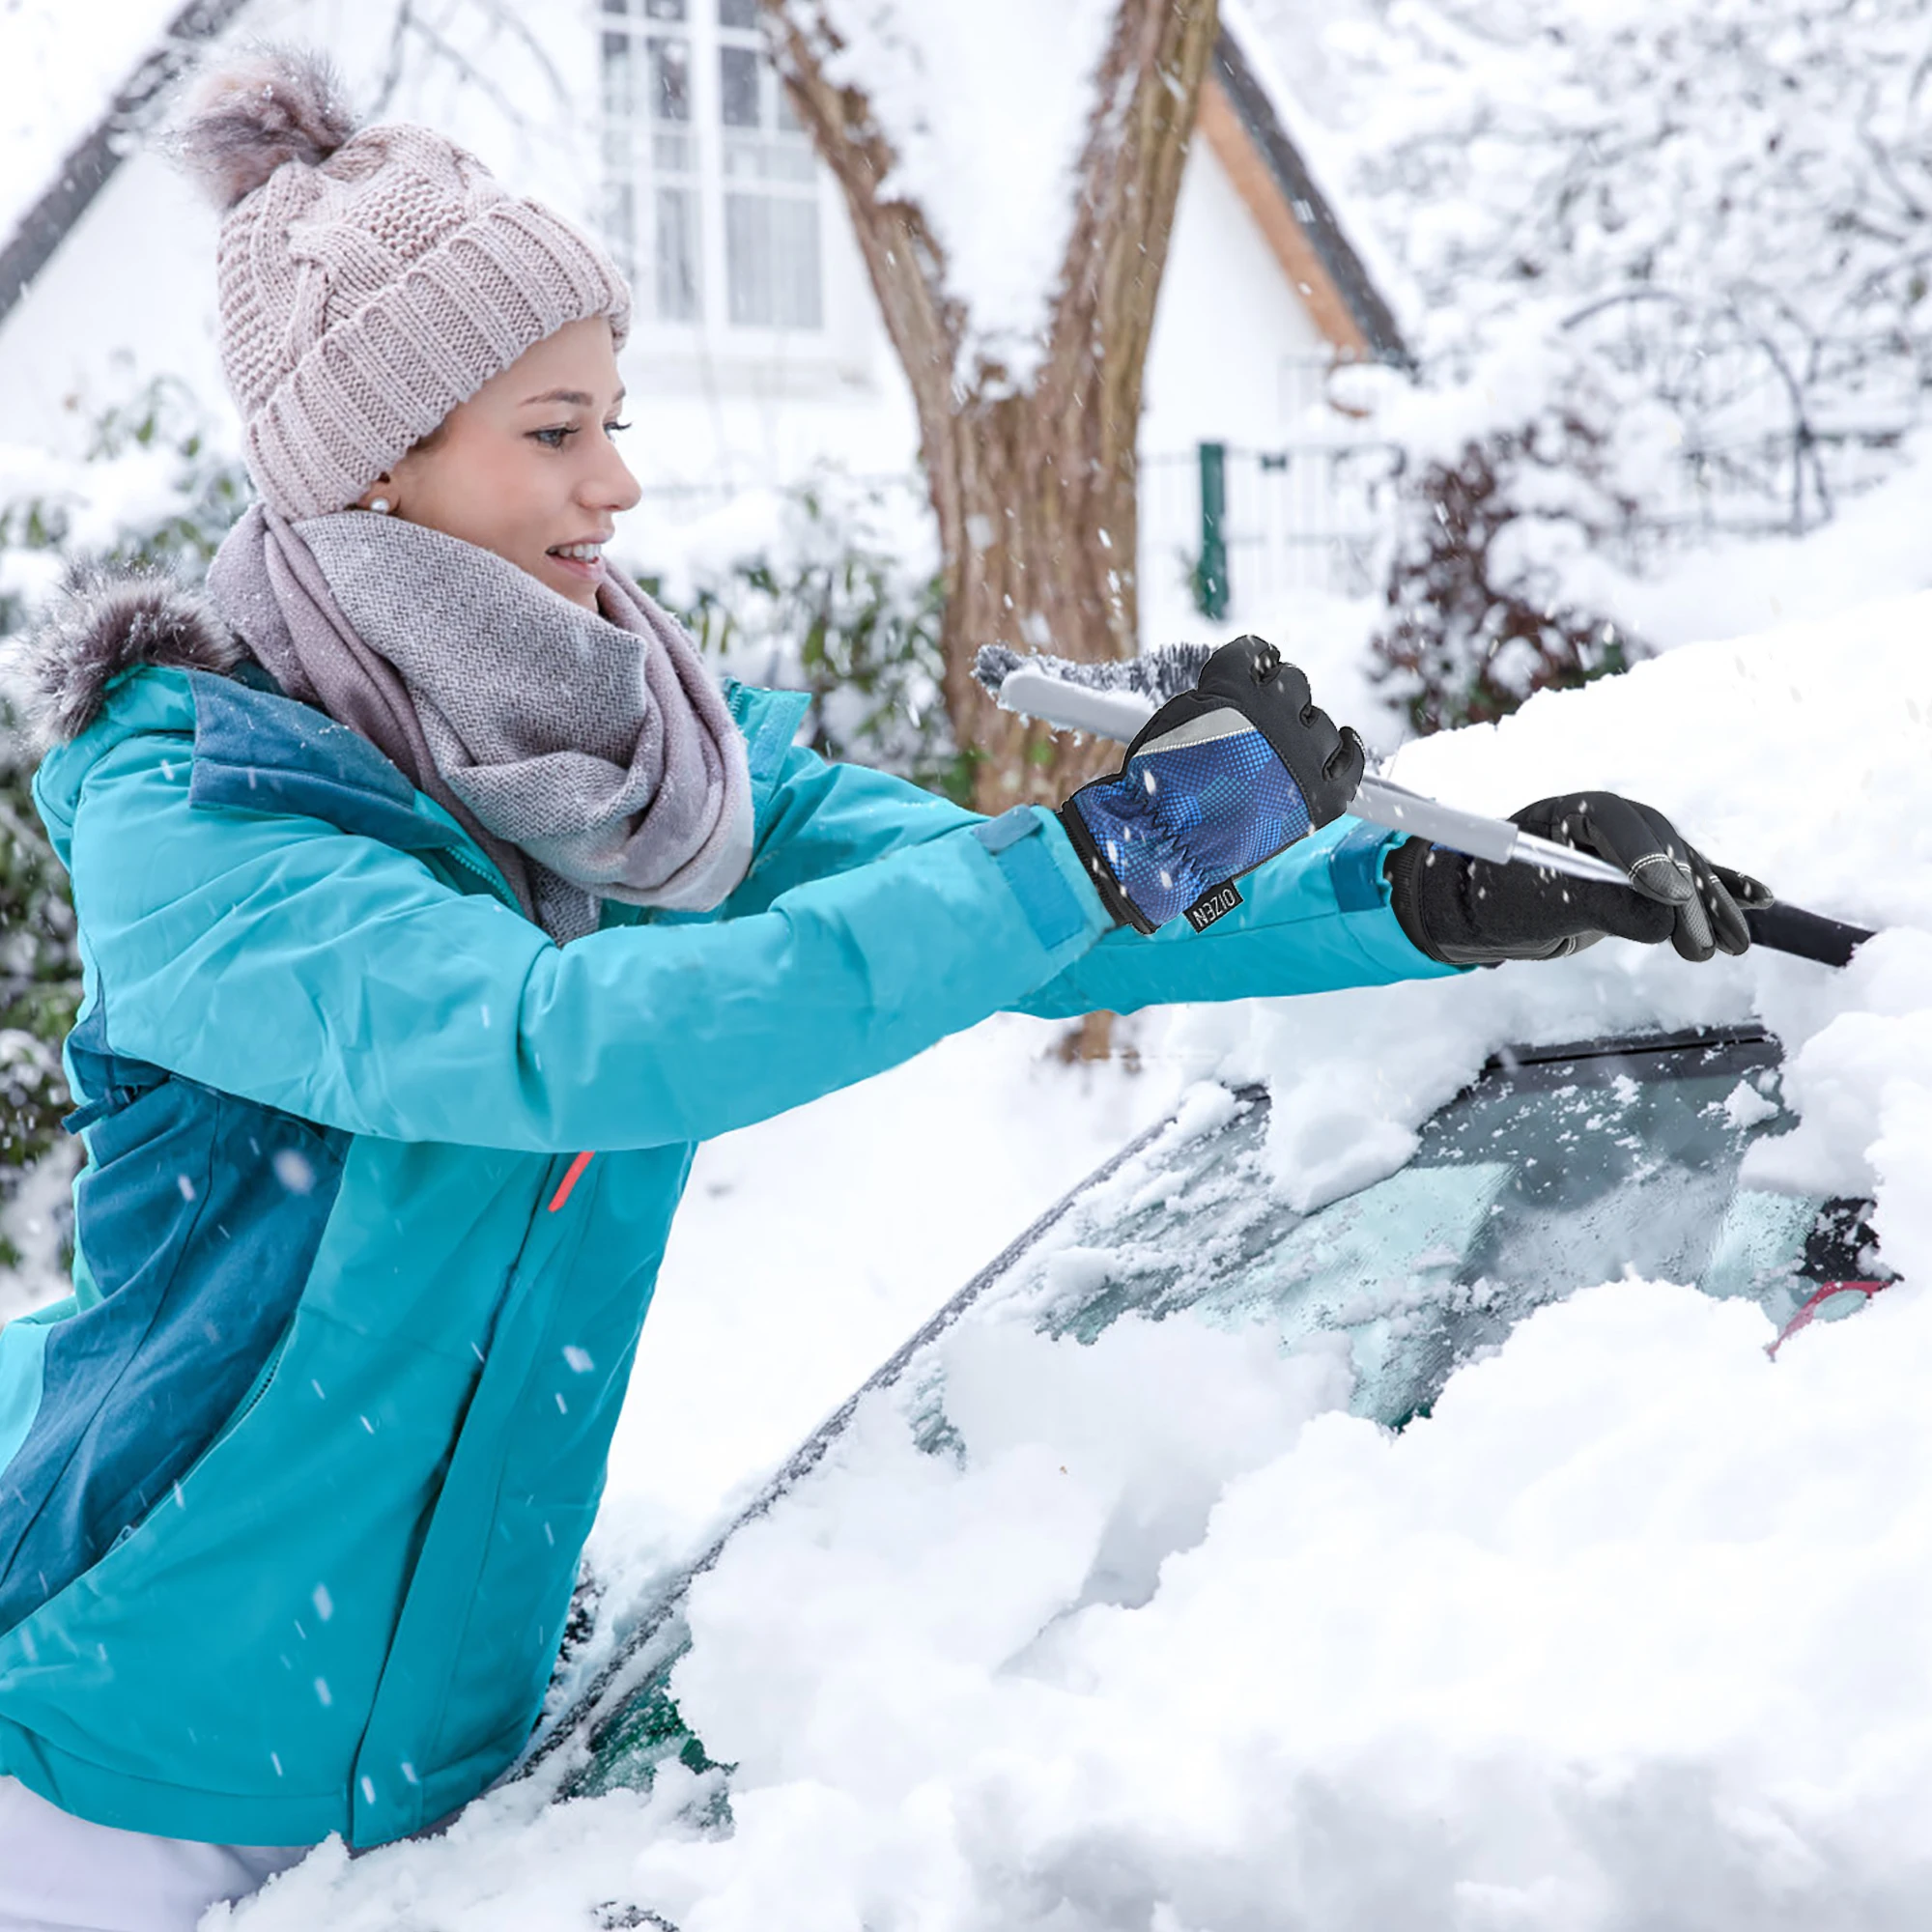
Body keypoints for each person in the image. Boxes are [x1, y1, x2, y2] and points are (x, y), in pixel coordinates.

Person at [0, 47, 1751, 1931]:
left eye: (618, 419)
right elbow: (547, 1044)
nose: (621, 482)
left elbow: (970, 898)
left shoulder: (636, 764)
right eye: (556, 430)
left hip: (453, 1769)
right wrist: (1108, 845)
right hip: (110, 1772)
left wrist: (1422, 891)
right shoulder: (205, 816)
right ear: (378, 466)